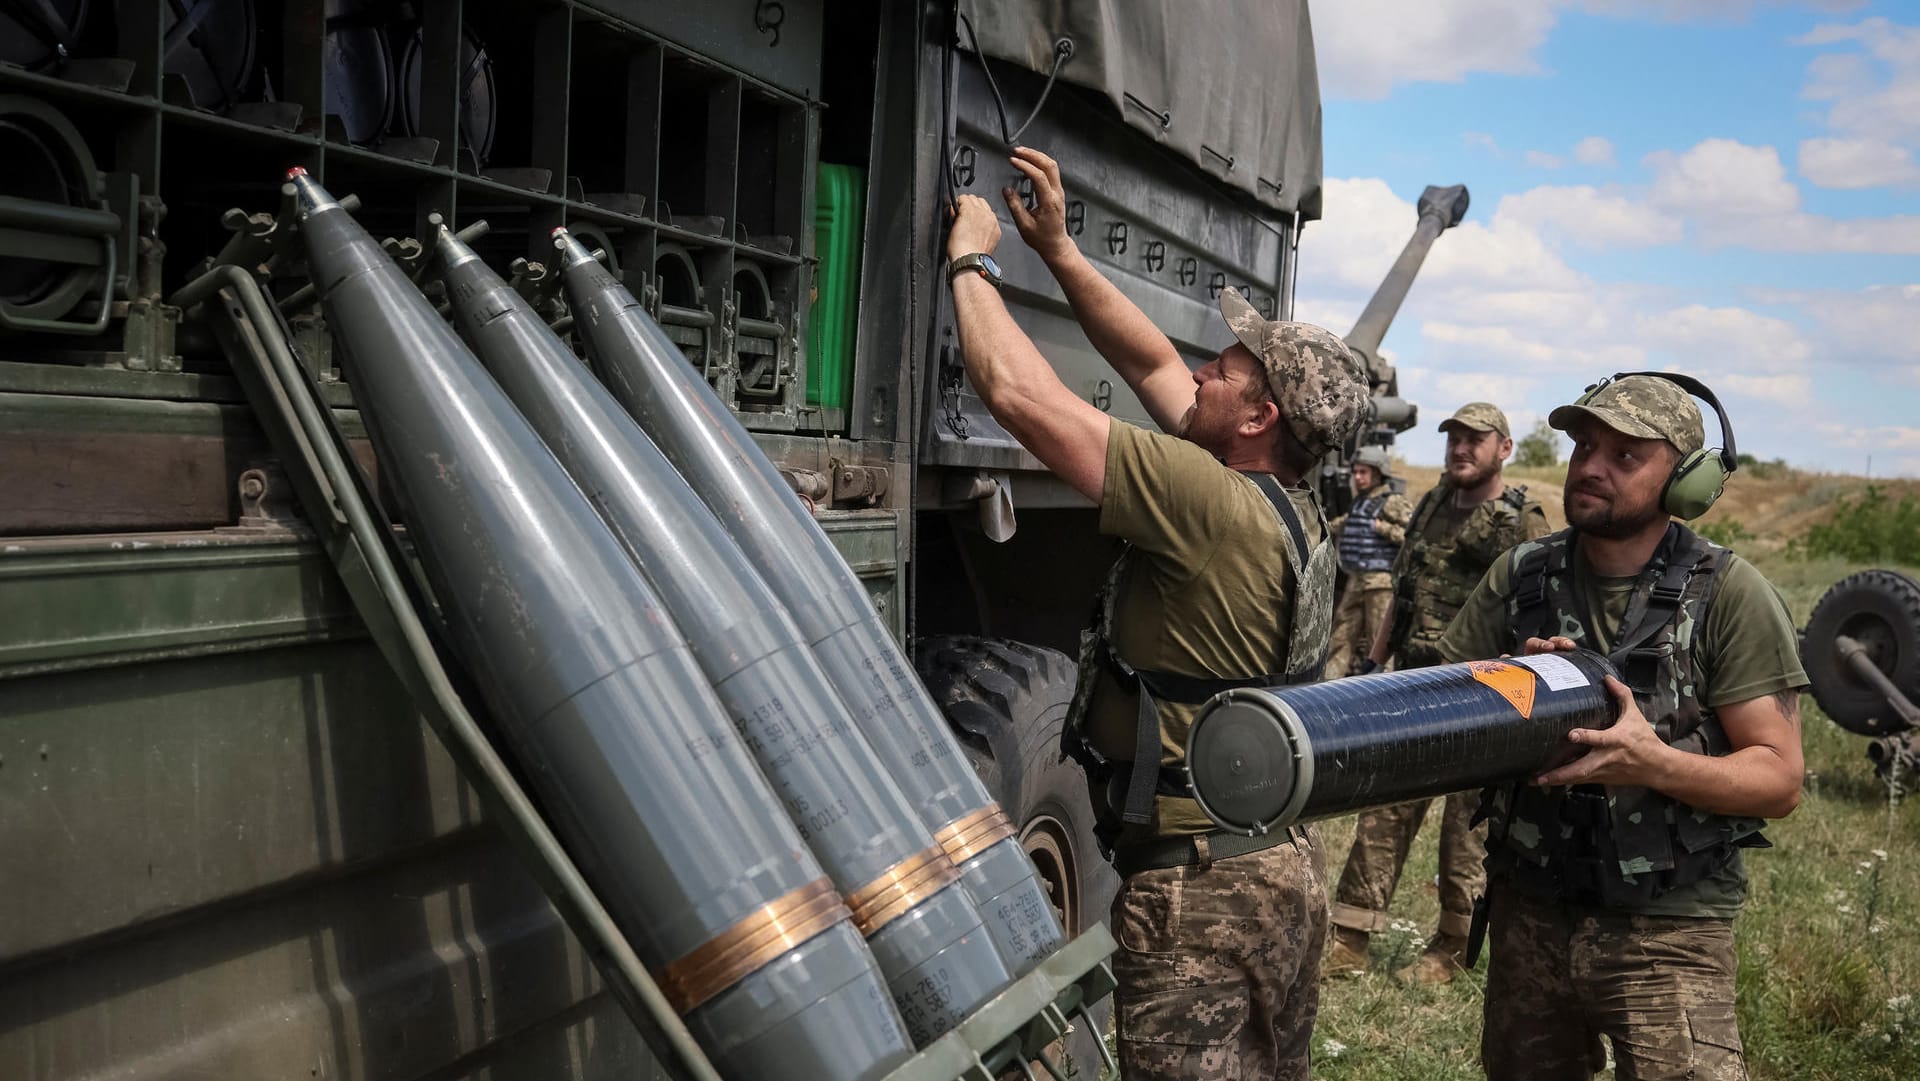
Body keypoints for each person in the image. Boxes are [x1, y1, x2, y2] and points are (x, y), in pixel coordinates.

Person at [943, 146, 1368, 1080]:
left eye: (1223, 370)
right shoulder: (1290, 508)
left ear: (1258, 420)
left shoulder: (1202, 500)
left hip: (1200, 892)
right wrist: (1057, 249)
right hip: (1279, 868)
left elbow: (1018, 394)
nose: (1198, 377)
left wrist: (972, 262)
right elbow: (1146, 362)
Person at [1436, 373, 1804, 1080]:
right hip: (1531, 911)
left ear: (1686, 482)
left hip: (1668, 929)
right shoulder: (1521, 578)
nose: (1592, 467)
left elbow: (1780, 778)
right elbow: (1441, 720)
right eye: (1585, 447)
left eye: (1626, 454)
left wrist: (1652, 762)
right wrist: (1506, 693)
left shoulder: (1729, 594)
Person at [1326, 402, 1550, 982]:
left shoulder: (1523, 518)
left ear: (1503, 448)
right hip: (1413, 686)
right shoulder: (1428, 506)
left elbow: (1543, 610)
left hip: (1484, 696)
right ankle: (1349, 935)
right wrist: (1374, 661)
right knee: (1383, 812)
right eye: (1454, 438)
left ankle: (1452, 946)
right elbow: (1401, 592)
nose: (1460, 448)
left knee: (1467, 831)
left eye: (1475, 439)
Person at [1323, 446, 1413, 679]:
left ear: (1379, 473)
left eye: (1364, 472)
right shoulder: (1359, 503)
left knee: (1379, 646)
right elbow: (1345, 523)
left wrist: (1383, 528)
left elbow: (1413, 537)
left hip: (1381, 583)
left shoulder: (1393, 502)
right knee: (1339, 639)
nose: (1358, 477)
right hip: (1356, 580)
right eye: (1356, 472)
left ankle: (1384, 693)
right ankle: (1327, 690)